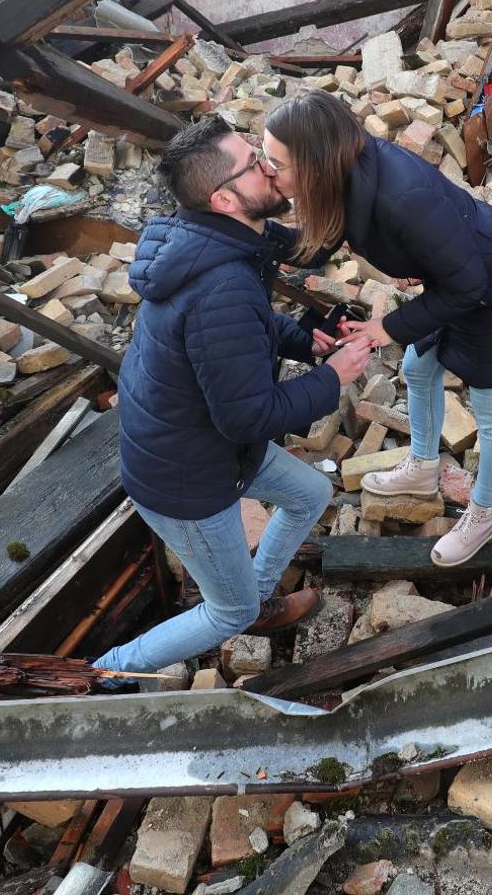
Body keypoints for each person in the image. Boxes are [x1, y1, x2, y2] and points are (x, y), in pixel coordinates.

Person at [94, 117, 374, 679]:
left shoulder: (211, 239)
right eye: (254, 163)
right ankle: (105, 673)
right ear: (225, 198)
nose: (269, 166)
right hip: (188, 481)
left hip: (197, 443)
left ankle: (258, 597)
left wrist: (302, 337)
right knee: (227, 611)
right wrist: (334, 375)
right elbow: (250, 416)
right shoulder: (219, 287)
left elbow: (253, 318)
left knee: (310, 493)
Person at [263, 89, 492, 567]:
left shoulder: (400, 195)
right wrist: (244, 229)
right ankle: (423, 466)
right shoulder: (346, 175)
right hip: (453, 278)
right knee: (417, 369)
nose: (269, 173)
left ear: (313, 162)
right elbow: (318, 246)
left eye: (277, 164)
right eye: (264, 161)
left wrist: (383, 328)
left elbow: (468, 285)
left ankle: (483, 513)